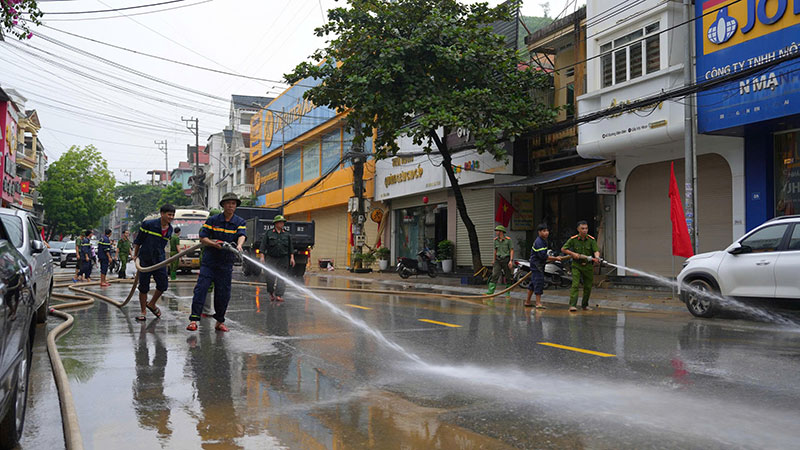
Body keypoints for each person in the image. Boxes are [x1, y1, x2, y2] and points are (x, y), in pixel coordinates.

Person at [186, 193, 246, 332]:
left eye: (233, 203)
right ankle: (193, 320)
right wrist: (214, 244)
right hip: (210, 262)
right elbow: (203, 237)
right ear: (223, 205)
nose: (231, 206)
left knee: (223, 293)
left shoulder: (239, 221)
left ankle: (219, 321)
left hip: (226, 263)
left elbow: (242, 235)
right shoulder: (213, 220)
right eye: (228, 203)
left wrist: (239, 245)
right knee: (201, 289)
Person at [132, 204, 175, 321]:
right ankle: (143, 312)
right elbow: (139, 240)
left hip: (159, 260)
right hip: (145, 259)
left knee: (163, 285)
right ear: (162, 214)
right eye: (169, 214)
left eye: (173, 215)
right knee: (143, 287)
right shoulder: (148, 225)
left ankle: (151, 303)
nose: (171, 217)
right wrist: (136, 255)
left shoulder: (170, 229)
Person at [561, 220, 601, 312]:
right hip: (576, 265)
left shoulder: (591, 240)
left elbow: (596, 250)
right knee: (575, 285)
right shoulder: (573, 239)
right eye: (582, 228)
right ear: (578, 229)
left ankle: (585, 305)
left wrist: (597, 257)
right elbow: (563, 249)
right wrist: (572, 253)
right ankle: (572, 305)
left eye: (586, 228)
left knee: (588, 286)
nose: (584, 230)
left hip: (588, 266)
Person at [524, 224, 561, 309]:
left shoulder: (544, 241)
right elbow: (543, 256)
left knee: (533, 283)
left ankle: (527, 301)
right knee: (538, 282)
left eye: (547, 231)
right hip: (537, 265)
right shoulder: (539, 242)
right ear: (539, 232)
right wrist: (555, 258)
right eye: (544, 231)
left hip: (539, 264)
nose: (546, 233)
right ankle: (538, 303)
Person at [259, 215, 295, 302]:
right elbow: (263, 246)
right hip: (271, 258)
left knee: (282, 276)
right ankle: (271, 292)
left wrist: (292, 258)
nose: (282, 224)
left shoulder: (287, 234)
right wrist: (262, 257)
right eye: (280, 222)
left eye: (283, 222)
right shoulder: (269, 233)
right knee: (270, 277)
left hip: (283, 259)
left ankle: (279, 295)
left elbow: (291, 248)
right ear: (275, 223)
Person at [486, 225, 514, 298]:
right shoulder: (495, 240)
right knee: (494, 274)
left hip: (506, 259)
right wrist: (494, 259)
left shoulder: (508, 240)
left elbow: (511, 250)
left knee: (508, 276)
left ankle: (507, 292)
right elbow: (495, 251)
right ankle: (490, 291)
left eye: (497, 231)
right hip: (498, 260)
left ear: (501, 232)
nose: (496, 232)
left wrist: (511, 260)